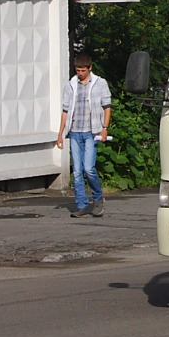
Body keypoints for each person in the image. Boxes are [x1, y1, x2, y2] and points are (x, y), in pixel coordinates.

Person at [56, 53, 112, 218]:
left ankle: (97, 198)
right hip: (75, 131)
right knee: (78, 171)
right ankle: (81, 204)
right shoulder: (71, 85)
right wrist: (61, 134)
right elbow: (65, 111)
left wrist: (104, 128)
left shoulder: (99, 84)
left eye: (83, 70)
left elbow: (107, 106)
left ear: (90, 68)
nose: (80, 73)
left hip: (91, 131)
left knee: (89, 168)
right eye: (78, 70)